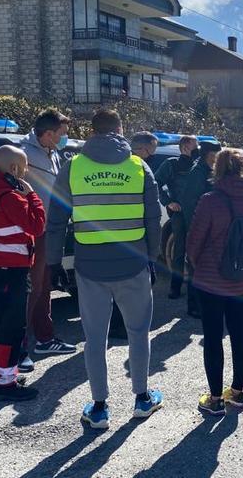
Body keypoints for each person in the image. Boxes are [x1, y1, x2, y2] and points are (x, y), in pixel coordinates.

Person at [47, 110, 163, 429]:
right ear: (121, 130)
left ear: (92, 132)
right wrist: (153, 259)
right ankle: (142, 398)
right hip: (134, 264)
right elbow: (153, 220)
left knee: (95, 337)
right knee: (139, 332)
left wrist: (53, 262)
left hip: (90, 268)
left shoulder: (73, 167)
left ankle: (99, 407)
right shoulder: (139, 167)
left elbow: (56, 220)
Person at [187, 149, 243, 415]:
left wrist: (198, 265)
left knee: (213, 336)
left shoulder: (210, 200)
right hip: (242, 279)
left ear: (217, 169)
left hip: (210, 280)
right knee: (239, 332)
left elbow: (194, 242)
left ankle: (215, 398)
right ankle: (238, 392)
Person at [0, 145, 46, 401]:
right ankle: (4, 384)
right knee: (12, 325)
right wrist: (32, 197)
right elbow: (37, 226)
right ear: (15, 169)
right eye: (25, 166)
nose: (26, 171)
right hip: (14, 269)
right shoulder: (10, 196)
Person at [20, 109, 76, 373]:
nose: (65, 139)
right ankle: (17, 347)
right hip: (29, 232)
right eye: (62, 134)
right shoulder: (22, 154)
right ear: (49, 133)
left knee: (44, 286)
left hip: (47, 230)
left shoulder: (51, 153)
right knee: (29, 289)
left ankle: (44, 338)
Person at [110, 132, 159, 340]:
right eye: (151, 151)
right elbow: (151, 212)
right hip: (134, 237)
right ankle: (124, 327)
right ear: (142, 149)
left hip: (117, 235)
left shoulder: (117, 166)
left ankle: (119, 325)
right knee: (131, 287)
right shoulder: (137, 169)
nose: (151, 156)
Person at [181, 140, 222, 317]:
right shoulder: (197, 173)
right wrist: (197, 228)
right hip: (198, 229)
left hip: (208, 229)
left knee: (204, 269)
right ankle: (194, 306)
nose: (218, 158)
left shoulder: (209, 171)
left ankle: (202, 303)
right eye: (216, 155)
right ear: (209, 155)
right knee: (195, 269)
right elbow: (190, 203)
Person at [155, 135, 199, 300]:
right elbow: (155, 182)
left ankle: (196, 291)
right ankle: (175, 288)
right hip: (180, 215)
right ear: (186, 147)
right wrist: (168, 202)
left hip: (198, 214)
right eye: (196, 145)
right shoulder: (171, 164)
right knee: (179, 252)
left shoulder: (199, 165)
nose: (198, 148)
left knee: (197, 252)